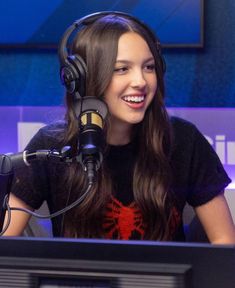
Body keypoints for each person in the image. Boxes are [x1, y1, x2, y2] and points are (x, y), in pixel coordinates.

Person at [3, 11, 235, 243]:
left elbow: (225, 246)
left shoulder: (184, 139)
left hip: (162, 280)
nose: (141, 82)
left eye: (149, 67)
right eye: (122, 69)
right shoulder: (51, 144)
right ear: (84, 79)